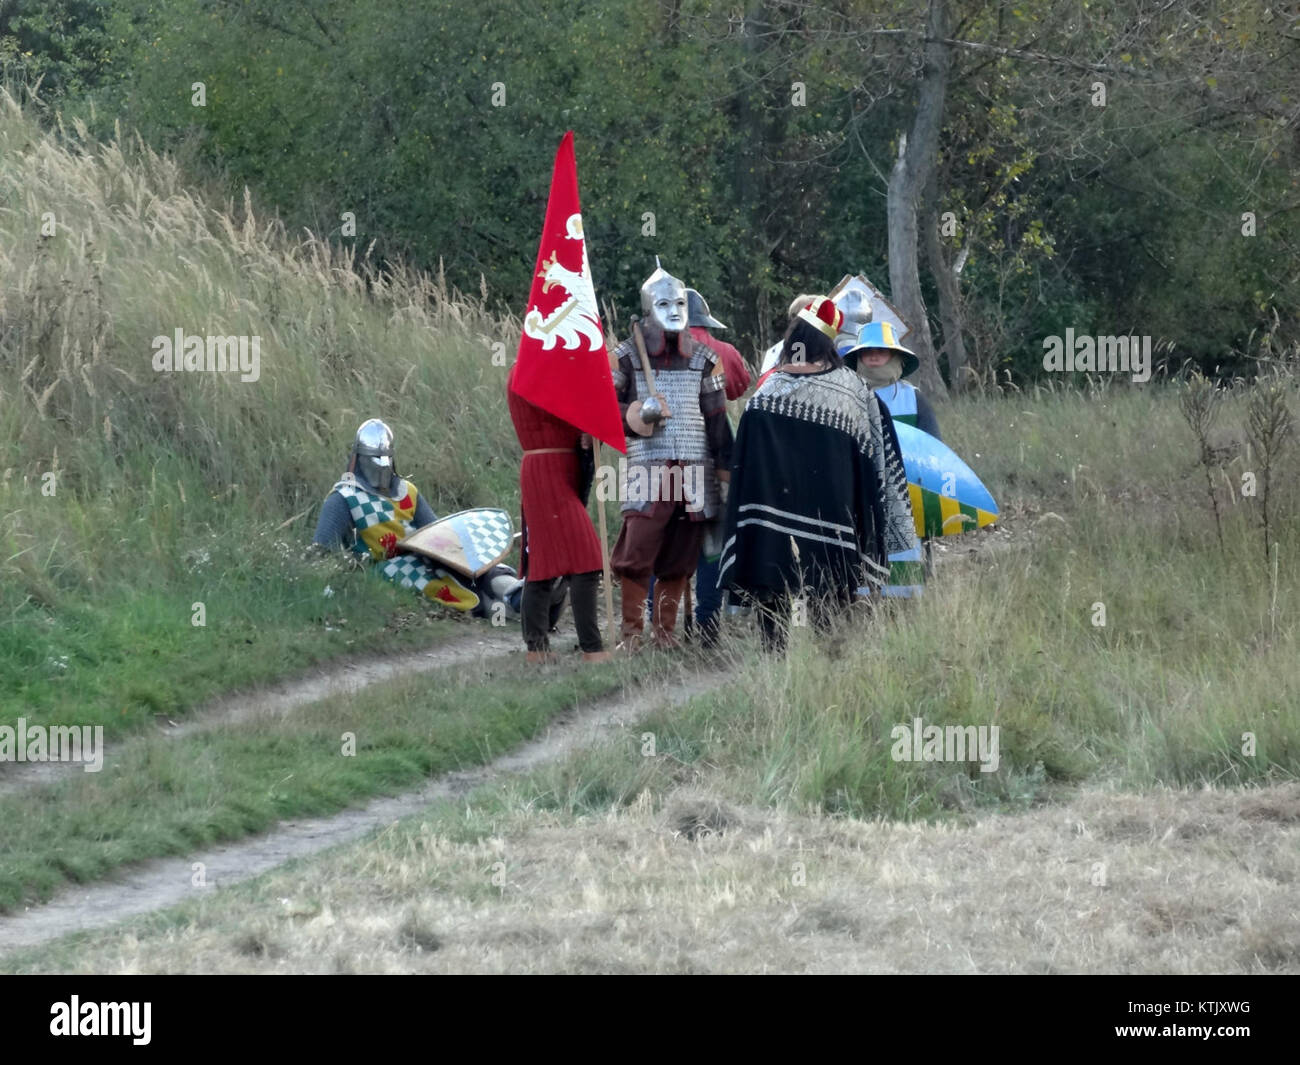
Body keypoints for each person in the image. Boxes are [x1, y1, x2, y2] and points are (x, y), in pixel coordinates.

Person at [718, 297, 916, 652]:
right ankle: (828, 665)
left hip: (770, 531)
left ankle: (774, 667)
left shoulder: (766, 394)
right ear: (831, 343)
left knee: (774, 599)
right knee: (829, 609)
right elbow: (877, 461)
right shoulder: (853, 392)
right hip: (832, 532)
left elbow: (744, 466)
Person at [610, 261, 733, 649]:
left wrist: (726, 474)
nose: (674, 310)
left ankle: (665, 635)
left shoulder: (704, 358)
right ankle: (631, 635)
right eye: (665, 304)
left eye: (679, 302)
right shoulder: (626, 356)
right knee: (637, 549)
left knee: (681, 555)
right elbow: (605, 413)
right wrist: (638, 413)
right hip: (649, 465)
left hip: (696, 468)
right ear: (649, 309)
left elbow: (717, 422)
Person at [311, 418, 520, 614]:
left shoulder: (407, 491)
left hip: (423, 557)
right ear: (359, 458)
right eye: (376, 458)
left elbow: (437, 533)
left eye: (386, 458)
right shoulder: (344, 498)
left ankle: (518, 592)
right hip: (386, 569)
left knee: (476, 566)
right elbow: (322, 553)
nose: (382, 465)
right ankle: (505, 609)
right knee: (451, 587)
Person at [506, 362, 610, 664]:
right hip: (549, 471)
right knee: (586, 560)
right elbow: (569, 411)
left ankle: (537, 648)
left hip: (550, 469)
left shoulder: (530, 369)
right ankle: (591, 649)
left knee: (543, 563)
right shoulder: (538, 370)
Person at [843, 321, 938, 598]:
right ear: (858, 357)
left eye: (881, 350)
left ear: (894, 355)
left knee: (907, 581)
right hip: (861, 496)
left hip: (908, 496)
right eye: (867, 350)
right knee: (863, 580)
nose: (873, 355)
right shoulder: (848, 397)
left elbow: (933, 452)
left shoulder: (913, 399)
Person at [684, 287, 750, 647]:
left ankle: (660, 623)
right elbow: (740, 387)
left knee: (665, 545)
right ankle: (707, 624)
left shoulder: (649, 348)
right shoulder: (722, 351)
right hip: (715, 456)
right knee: (711, 545)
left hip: (662, 462)